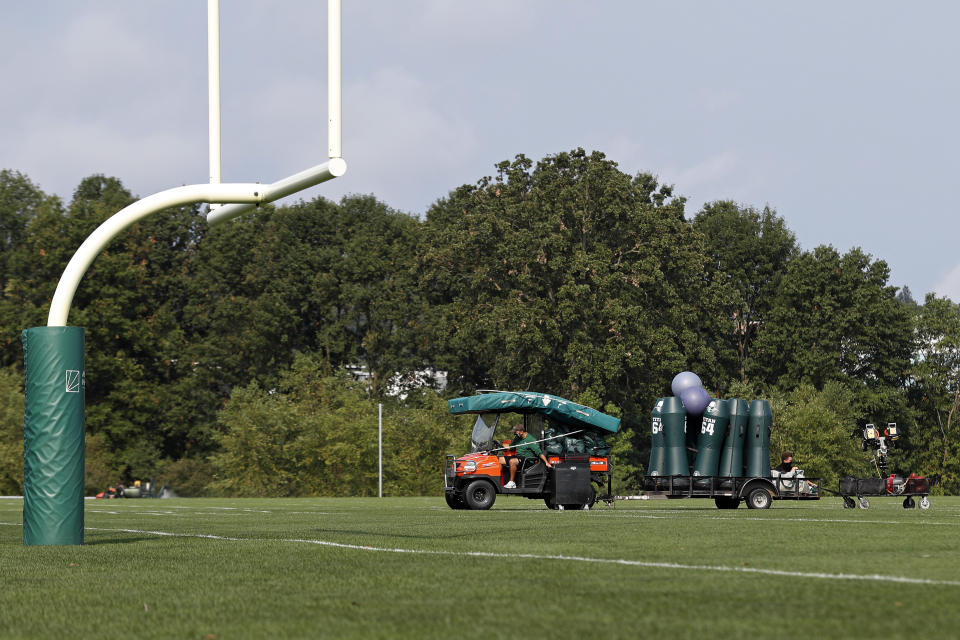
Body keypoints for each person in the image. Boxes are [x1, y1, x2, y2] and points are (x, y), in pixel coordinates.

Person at [498, 424, 553, 489]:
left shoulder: (531, 440)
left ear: (521, 431)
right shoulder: (517, 438)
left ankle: (512, 482)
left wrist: (546, 462)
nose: (514, 433)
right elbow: (510, 447)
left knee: (512, 461)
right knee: (500, 460)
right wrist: (500, 444)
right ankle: (498, 481)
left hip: (527, 460)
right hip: (518, 458)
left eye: (516, 432)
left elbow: (539, 452)